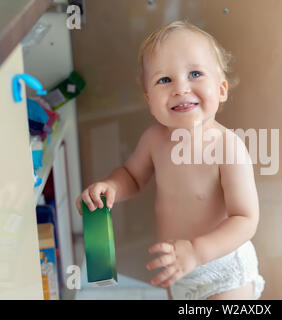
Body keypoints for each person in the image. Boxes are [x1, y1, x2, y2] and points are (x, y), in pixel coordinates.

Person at [76, 20, 265, 300]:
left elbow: (246, 219)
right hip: (177, 267)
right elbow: (132, 176)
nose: (180, 88)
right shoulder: (154, 140)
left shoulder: (229, 147)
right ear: (149, 99)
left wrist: (197, 251)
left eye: (195, 74)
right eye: (164, 80)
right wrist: (111, 187)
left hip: (222, 269)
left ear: (221, 89)